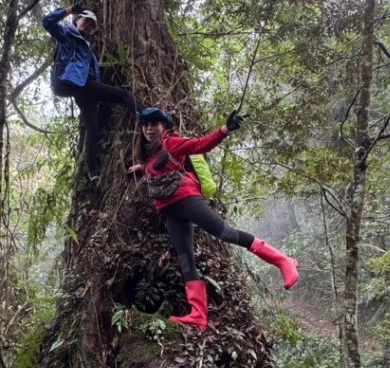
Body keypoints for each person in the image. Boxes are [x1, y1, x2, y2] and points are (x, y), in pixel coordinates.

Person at [127, 107, 299, 329]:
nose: (149, 129)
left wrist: (225, 129)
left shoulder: (172, 142)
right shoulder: (150, 153)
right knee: (186, 259)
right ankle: (198, 314)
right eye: (145, 125)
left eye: (154, 124)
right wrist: (140, 169)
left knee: (224, 232)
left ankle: (283, 260)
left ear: (165, 126)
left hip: (187, 201)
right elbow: (156, 168)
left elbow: (200, 145)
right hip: (170, 211)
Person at [42, 5, 138, 173]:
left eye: (91, 25)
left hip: (84, 90)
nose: (87, 26)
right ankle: (143, 116)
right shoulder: (68, 35)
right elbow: (47, 22)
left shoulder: (89, 52)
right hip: (73, 83)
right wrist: (69, 10)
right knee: (124, 95)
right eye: (85, 21)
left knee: (93, 130)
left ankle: (92, 172)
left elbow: (95, 75)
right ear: (77, 20)